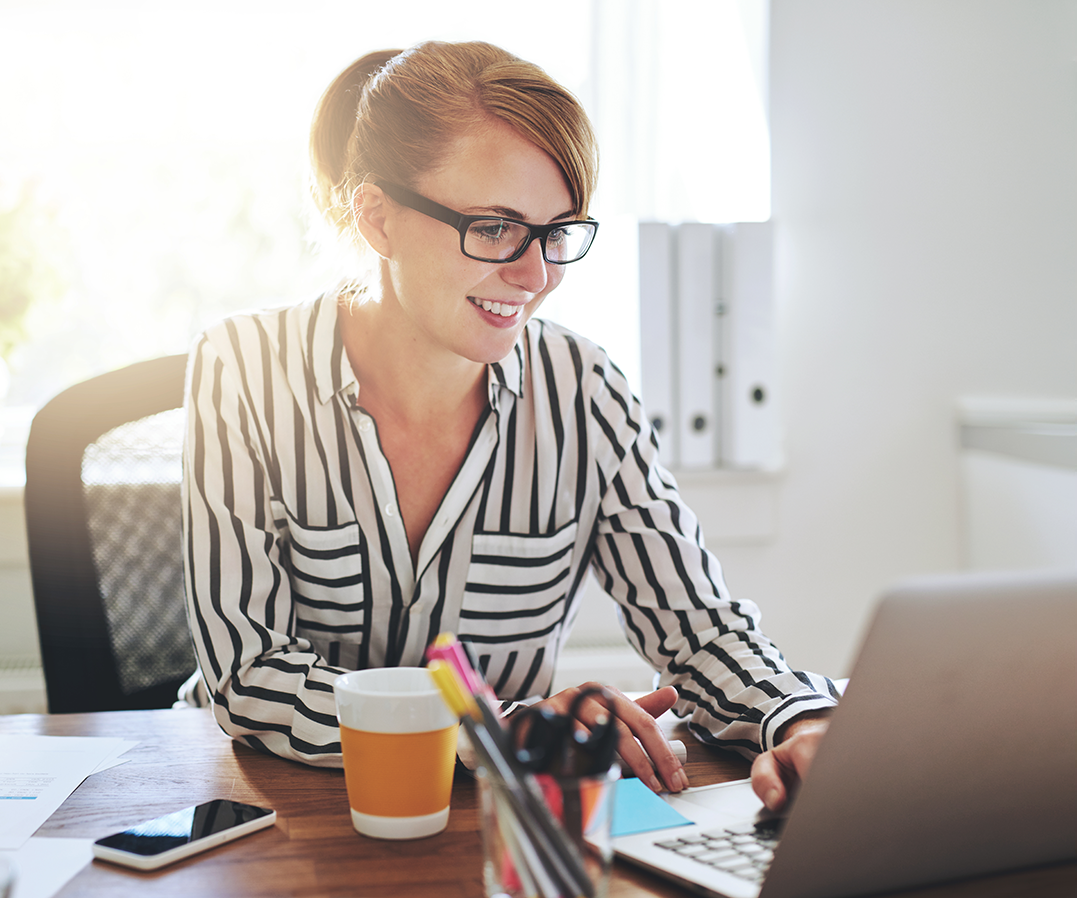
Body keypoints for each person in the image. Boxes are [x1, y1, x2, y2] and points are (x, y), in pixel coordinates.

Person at [180, 40, 837, 809]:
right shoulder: (244, 367)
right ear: (378, 217)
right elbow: (249, 675)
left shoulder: (584, 389)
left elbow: (700, 632)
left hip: (493, 831)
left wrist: (806, 721)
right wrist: (493, 730)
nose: (535, 276)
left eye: (557, 233)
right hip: (277, 817)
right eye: (494, 227)